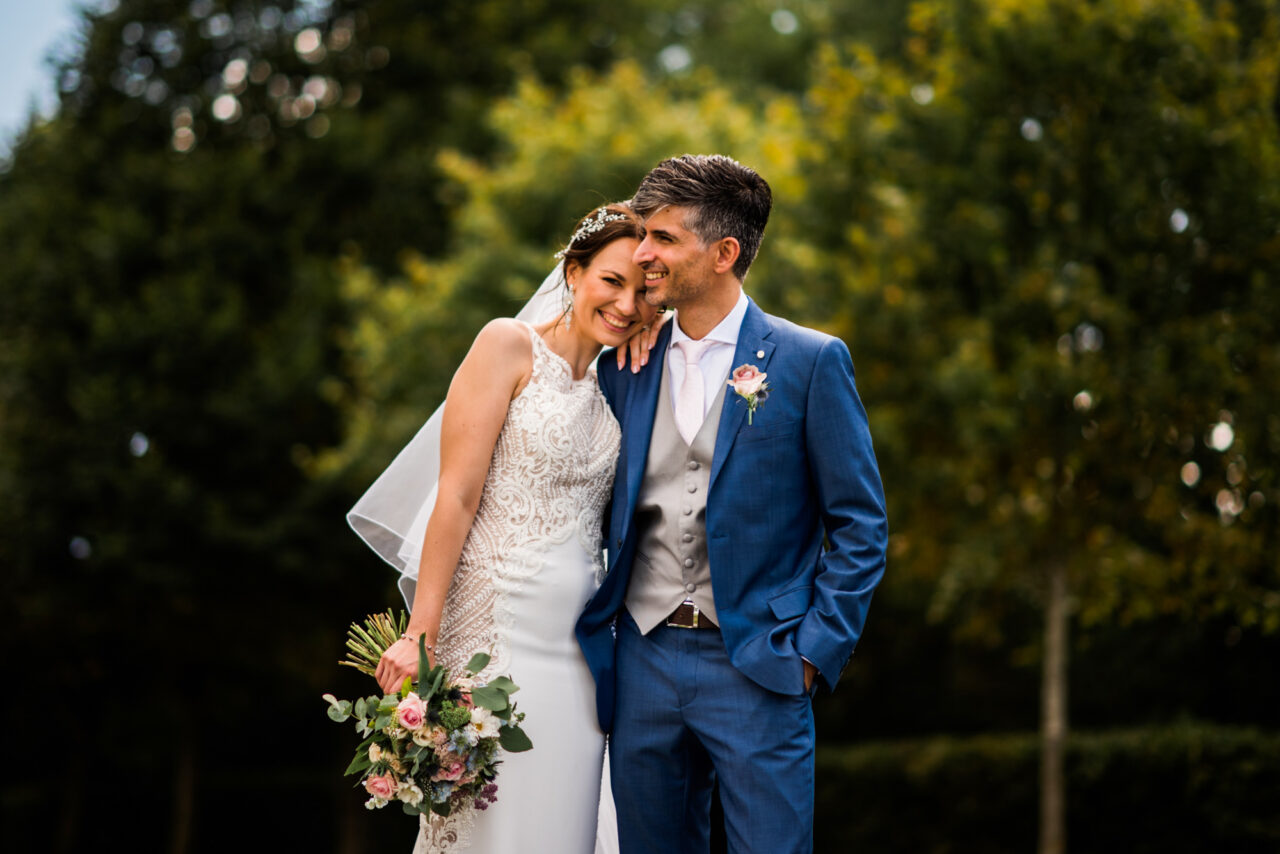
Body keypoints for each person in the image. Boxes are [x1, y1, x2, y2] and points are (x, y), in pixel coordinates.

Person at [575, 155, 889, 854]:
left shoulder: (810, 362)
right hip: (642, 664)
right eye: (643, 235)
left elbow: (860, 525)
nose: (643, 252)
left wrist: (813, 651)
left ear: (724, 254)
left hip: (760, 661)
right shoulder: (625, 363)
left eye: (663, 239)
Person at [349, 203, 660, 852]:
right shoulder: (507, 345)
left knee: (562, 826)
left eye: (642, 291)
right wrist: (419, 636)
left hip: (580, 655)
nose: (626, 303)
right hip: (495, 635)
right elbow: (457, 496)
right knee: (485, 824)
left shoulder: (621, 384)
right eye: (612, 280)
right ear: (573, 273)